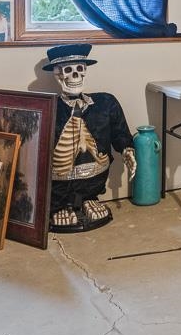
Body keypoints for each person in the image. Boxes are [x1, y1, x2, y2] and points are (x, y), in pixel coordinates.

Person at [43, 43, 135, 232]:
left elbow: (120, 132)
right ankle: (60, 207)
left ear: (85, 71)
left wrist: (127, 149)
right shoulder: (47, 108)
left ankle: (89, 199)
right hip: (58, 184)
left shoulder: (105, 103)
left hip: (94, 177)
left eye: (80, 69)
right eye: (68, 70)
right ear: (57, 74)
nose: (75, 75)